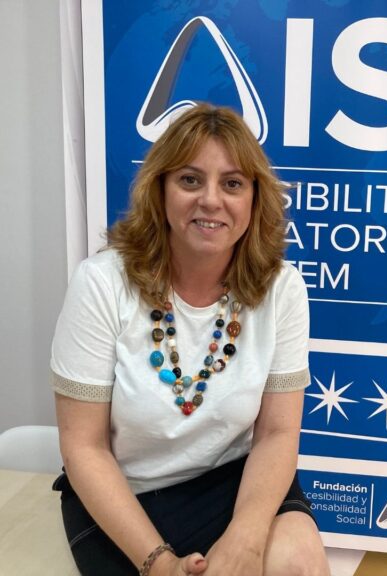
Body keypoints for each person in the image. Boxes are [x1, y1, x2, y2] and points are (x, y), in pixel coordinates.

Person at [50, 103, 330, 576]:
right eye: (190, 179)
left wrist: (246, 536)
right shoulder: (100, 283)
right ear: (160, 189)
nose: (211, 200)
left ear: (254, 199)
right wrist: (159, 563)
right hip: (126, 495)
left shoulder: (282, 286)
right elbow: (84, 448)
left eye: (233, 183)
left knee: (296, 563)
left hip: (237, 483)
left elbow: (278, 432)